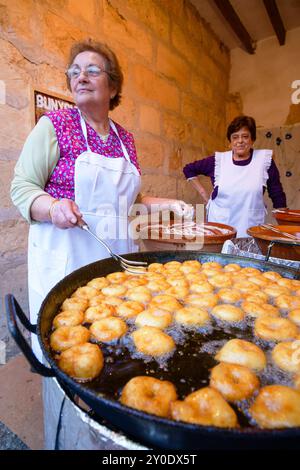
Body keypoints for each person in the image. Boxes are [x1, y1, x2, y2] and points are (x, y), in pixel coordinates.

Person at [10, 39, 192, 449]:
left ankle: (111, 437)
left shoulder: (126, 140)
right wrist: (52, 205)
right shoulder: (53, 127)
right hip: (68, 262)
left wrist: (169, 203)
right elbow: (22, 188)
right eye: (74, 70)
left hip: (116, 266)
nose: (80, 76)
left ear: (113, 85)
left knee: (116, 354)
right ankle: (69, 436)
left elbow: (129, 200)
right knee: (70, 358)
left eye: (92, 69)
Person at [183, 115, 287, 237]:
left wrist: (284, 228)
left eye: (245, 136)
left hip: (250, 226)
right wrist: (204, 194)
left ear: (252, 139)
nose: (240, 141)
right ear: (230, 141)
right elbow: (188, 169)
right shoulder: (218, 161)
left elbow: (277, 193)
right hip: (219, 226)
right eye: (235, 137)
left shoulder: (264, 161)